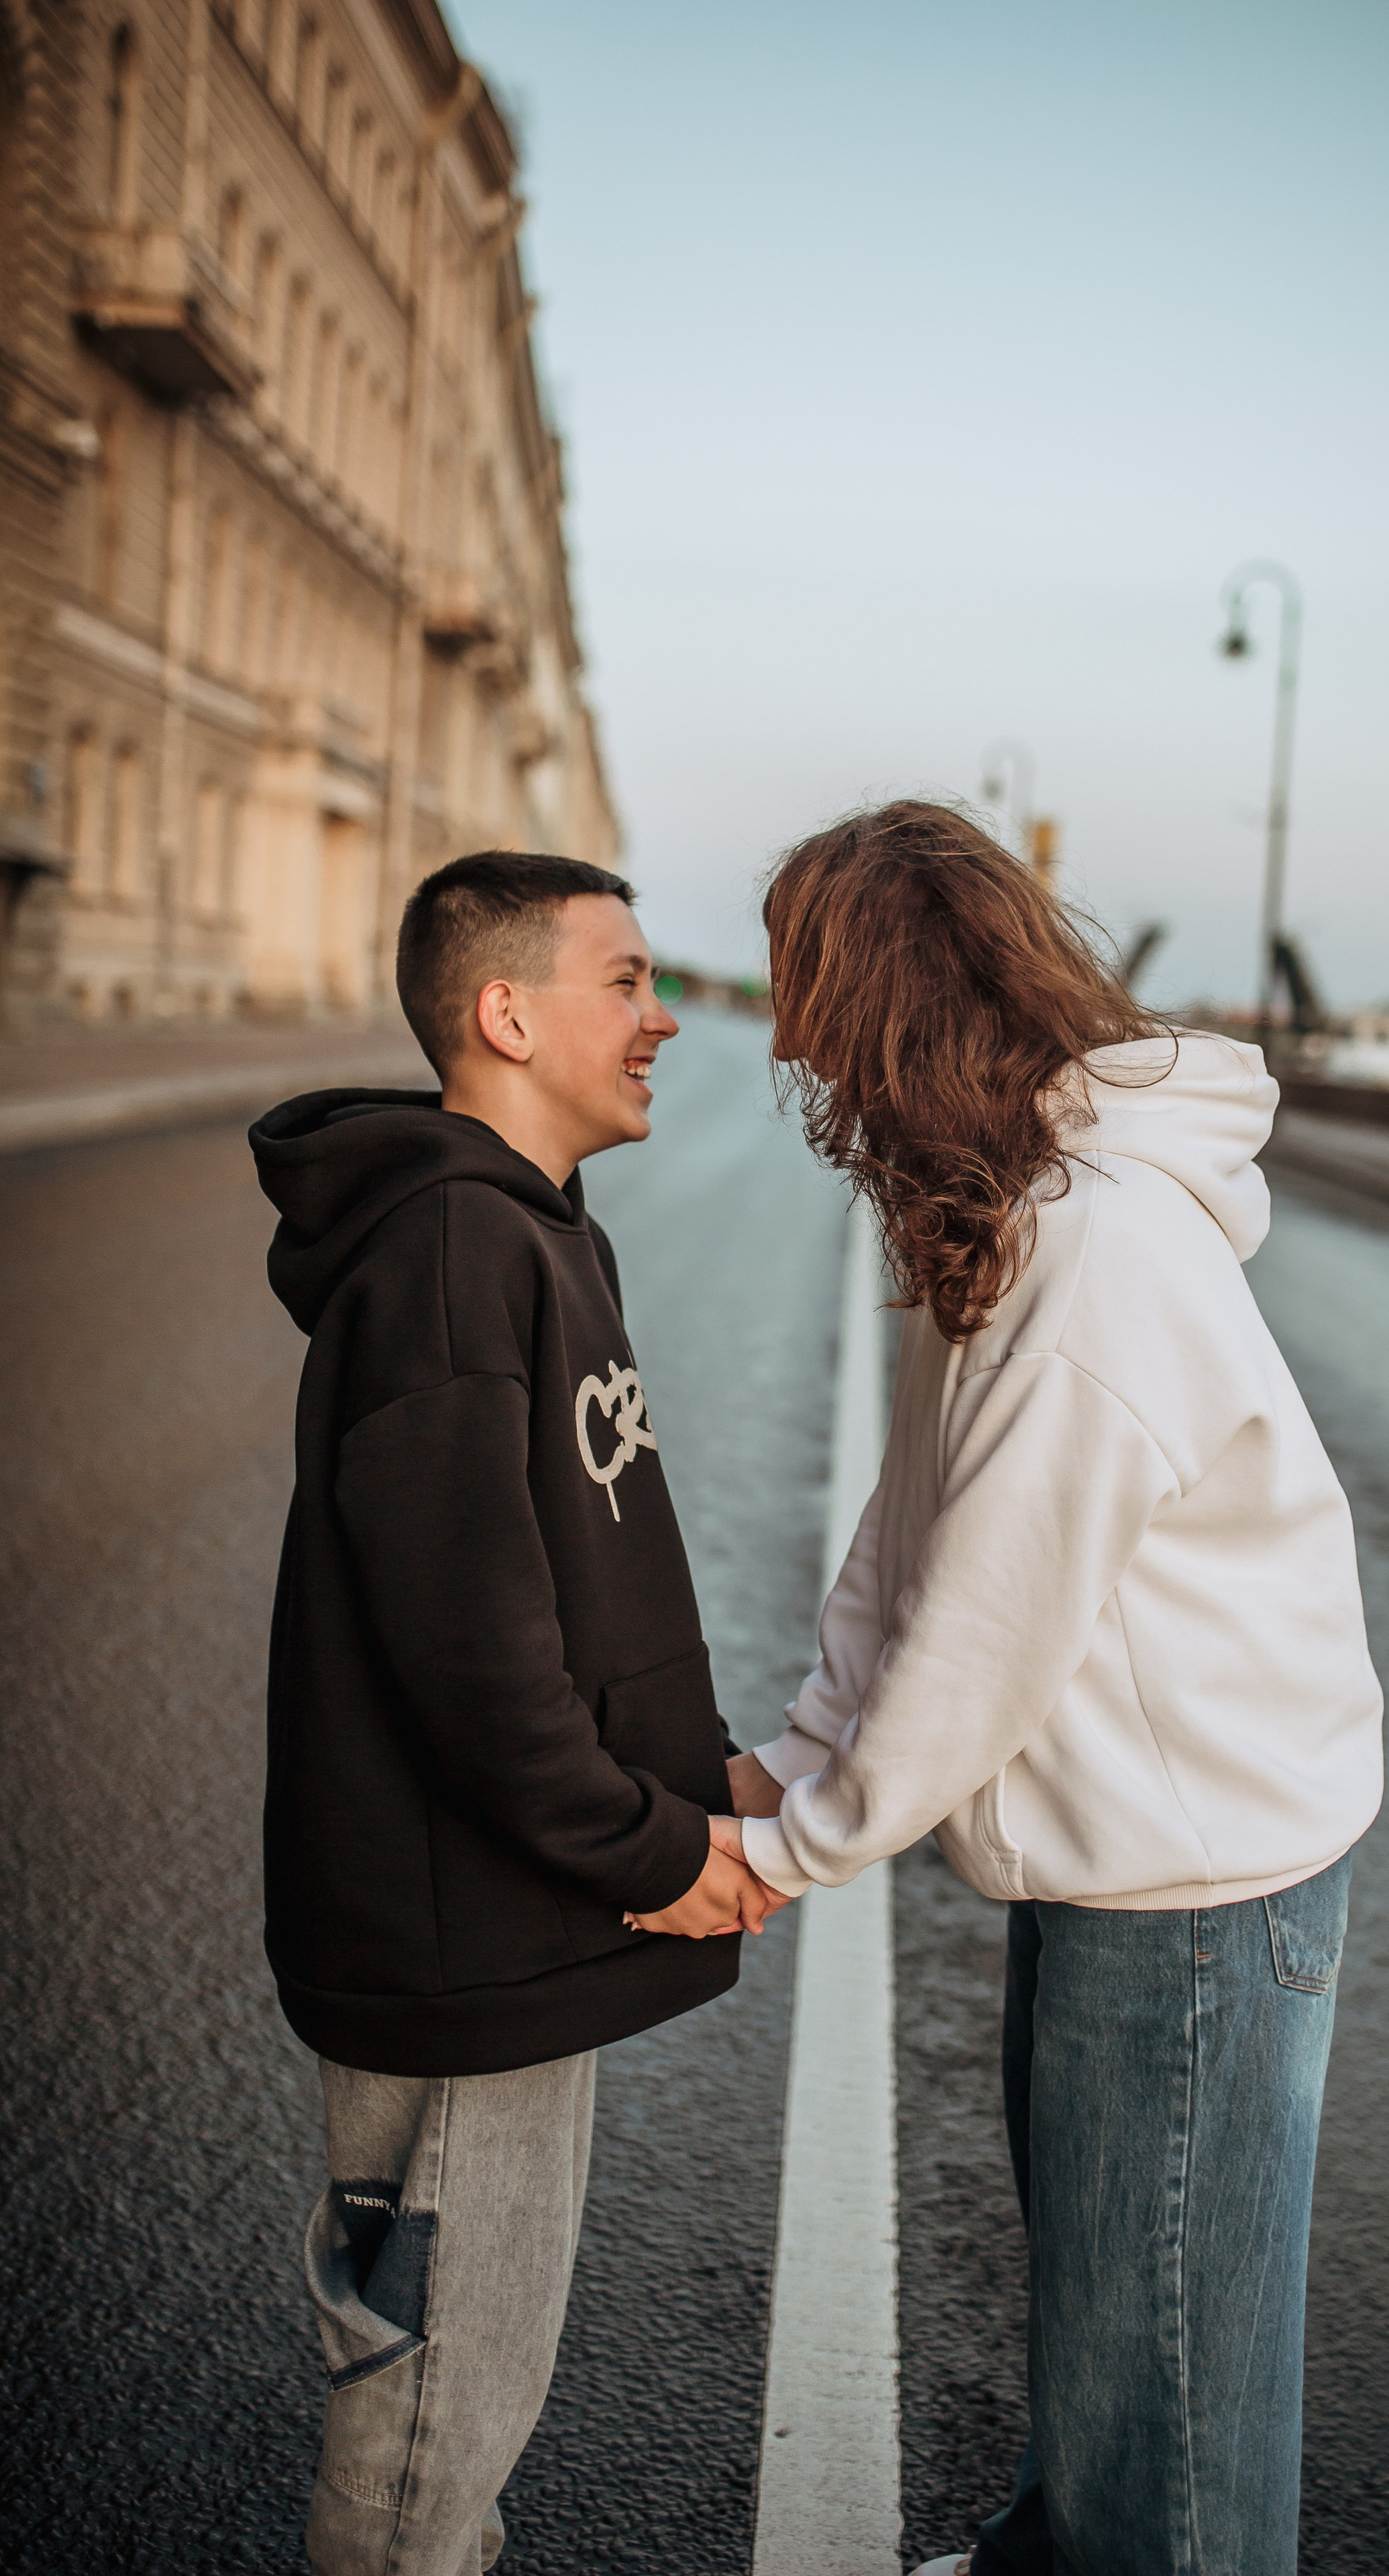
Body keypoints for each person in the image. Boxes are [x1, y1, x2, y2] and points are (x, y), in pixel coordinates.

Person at [726, 801, 1384, 2576]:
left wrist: (800, 1846)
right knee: (1117, 2322)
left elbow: (995, 1617)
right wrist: (793, 1755)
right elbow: (914, 1522)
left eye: (800, 975)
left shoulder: (1089, 1257)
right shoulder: (1011, 1208)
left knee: (1173, 2383)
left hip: (1194, 1892)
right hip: (1141, 1865)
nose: (778, 1026)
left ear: (880, 997)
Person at [251, 850, 785, 2576]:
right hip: (466, 1928)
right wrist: (646, 1844)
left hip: (504, 1905)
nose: (663, 1015)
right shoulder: (454, 1253)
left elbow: (573, 1576)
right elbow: (472, 1645)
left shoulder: (531, 1230)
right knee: (428, 2412)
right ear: (503, 1011)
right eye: (625, 980)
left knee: (456, 2386)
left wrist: (703, 1781)